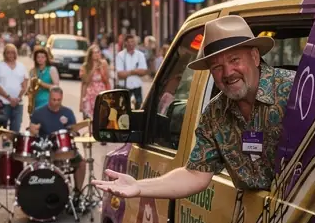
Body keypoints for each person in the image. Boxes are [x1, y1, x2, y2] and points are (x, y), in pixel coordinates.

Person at [95, 14, 294, 201]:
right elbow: (195, 174)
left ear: (255, 57)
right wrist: (139, 187)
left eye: (235, 60)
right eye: (217, 67)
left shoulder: (295, 91)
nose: (227, 73)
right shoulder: (216, 112)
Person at [29, 86, 85, 193]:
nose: (56, 102)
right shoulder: (38, 112)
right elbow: (32, 131)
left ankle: (78, 191)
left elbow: (74, 130)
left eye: (59, 100)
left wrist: (73, 132)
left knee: (82, 163)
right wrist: (33, 130)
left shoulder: (68, 112)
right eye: (54, 100)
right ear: (49, 98)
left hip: (65, 149)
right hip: (47, 150)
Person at [0, 43, 28, 132]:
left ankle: (14, 145)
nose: (11, 55)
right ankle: (5, 143)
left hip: (18, 103)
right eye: (8, 52)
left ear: (16, 54)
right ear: (4, 54)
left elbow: (25, 85)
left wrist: (18, 98)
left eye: (13, 52)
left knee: (16, 129)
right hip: (2, 103)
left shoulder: (21, 66)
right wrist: (9, 98)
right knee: (2, 129)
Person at [114, 34, 148, 106]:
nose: (131, 44)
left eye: (132, 41)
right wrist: (135, 71)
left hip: (137, 87)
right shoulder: (120, 55)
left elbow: (144, 71)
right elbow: (120, 75)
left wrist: (128, 72)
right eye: (128, 42)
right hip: (124, 87)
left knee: (138, 108)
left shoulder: (140, 55)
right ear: (125, 43)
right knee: (124, 109)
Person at [80, 44, 111, 118]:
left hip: (101, 94)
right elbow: (85, 82)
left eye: (98, 52)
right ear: (90, 54)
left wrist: (101, 69)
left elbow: (107, 80)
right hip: (89, 95)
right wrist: (94, 68)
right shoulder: (85, 66)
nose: (97, 54)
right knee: (89, 119)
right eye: (95, 52)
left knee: (101, 118)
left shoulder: (104, 63)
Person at [28, 46, 60, 113]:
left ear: (46, 58)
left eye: (43, 57)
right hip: (35, 102)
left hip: (47, 102)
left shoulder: (51, 69)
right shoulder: (32, 71)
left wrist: (41, 83)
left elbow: (56, 88)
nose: (40, 59)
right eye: (38, 57)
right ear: (35, 59)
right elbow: (31, 88)